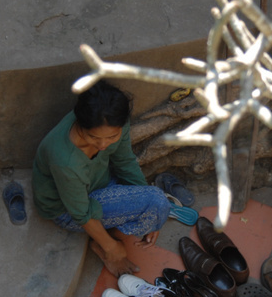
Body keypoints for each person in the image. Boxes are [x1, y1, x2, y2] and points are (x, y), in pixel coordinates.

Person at [32, 81, 171, 276]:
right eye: (94, 137)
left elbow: (125, 162)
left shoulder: (114, 121)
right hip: (67, 210)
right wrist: (112, 248)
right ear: (80, 122)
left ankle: (108, 231)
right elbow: (81, 212)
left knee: (155, 203)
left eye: (112, 137)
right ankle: (103, 242)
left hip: (97, 182)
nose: (103, 144)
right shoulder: (65, 160)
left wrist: (151, 211)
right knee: (157, 201)